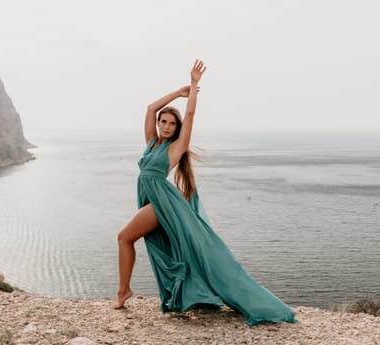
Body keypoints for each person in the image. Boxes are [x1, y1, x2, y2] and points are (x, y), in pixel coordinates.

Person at [114, 59, 297, 326]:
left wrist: (194, 85)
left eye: (170, 124)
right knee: (129, 239)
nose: (165, 126)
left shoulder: (175, 148)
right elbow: (151, 108)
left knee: (124, 237)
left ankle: (123, 291)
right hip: (151, 197)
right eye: (163, 122)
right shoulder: (151, 143)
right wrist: (177, 92)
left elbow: (189, 117)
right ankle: (125, 290)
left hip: (164, 203)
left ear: (176, 130)